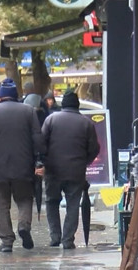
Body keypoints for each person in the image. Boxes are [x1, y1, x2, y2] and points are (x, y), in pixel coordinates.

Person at [0, 78, 45, 253]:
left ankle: (6, 241)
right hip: (24, 166)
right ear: (16, 96)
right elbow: (38, 139)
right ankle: (23, 226)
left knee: (2, 204)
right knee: (24, 199)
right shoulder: (28, 111)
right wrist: (40, 160)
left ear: (0, 97)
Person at [41, 91, 100, 250]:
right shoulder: (86, 123)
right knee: (73, 204)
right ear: (77, 105)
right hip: (76, 171)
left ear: (63, 104)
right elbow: (95, 148)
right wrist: (84, 161)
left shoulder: (51, 120)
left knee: (51, 202)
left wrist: (45, 161)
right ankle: (68, 239)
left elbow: (41, 143)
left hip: (53, 171)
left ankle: (55, 236)